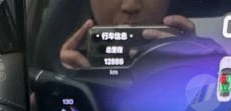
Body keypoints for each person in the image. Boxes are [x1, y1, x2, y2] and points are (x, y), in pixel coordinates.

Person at [60, 0, 196, 69]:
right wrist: (63, 82)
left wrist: (195, 72)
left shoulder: (200, 62)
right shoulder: (62, 65)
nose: (130, 6)